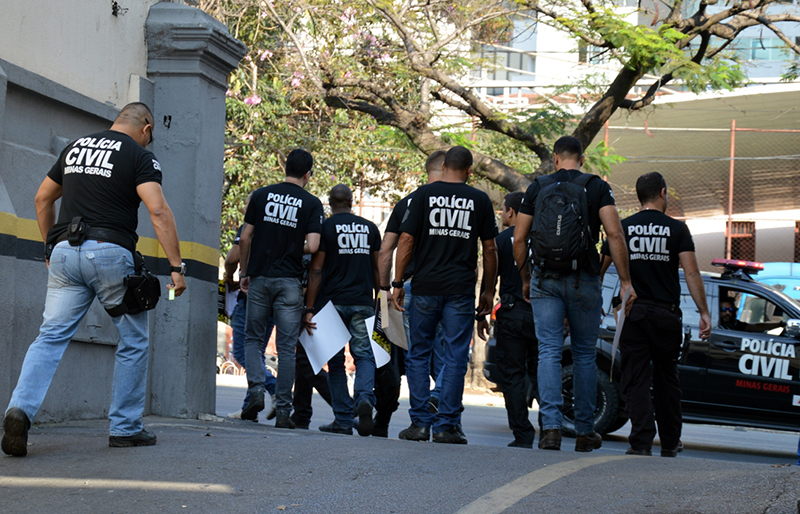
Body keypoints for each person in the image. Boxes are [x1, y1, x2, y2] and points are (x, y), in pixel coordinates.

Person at [2, 103, 186, 456]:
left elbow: (42, 198)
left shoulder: (75, 146)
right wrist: (176, 267)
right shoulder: (138, 156)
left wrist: (48, 248)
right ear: (146, 128)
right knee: (133, 340)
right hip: (110, 253)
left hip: (64, 253)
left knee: (50, 337)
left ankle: (20, 410)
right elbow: (158, 209)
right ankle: (125, 427)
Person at [513, 135, 634, 452]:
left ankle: (550, 428)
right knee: (583, 354)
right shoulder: (596, 186)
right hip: (584, 279)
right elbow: (614, 233)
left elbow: (518, 239)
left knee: (549, 351)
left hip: (545, 278)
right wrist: (624, 281)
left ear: (555, 158)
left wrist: (526, 278)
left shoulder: (537, 187)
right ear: (582, 158)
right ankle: (584, 430)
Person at [392, 146, 498, 444]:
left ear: (445, 166)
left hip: (425, 287)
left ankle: (420, 423)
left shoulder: (423, 195)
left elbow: (407, 239)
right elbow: (490, 249)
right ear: (468, 171)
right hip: (460, 291)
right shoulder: (479, 199)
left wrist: (398, 281)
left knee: (418, 354)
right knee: (454, 356)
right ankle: (446, 425)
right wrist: (488, 291)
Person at [602, 172, 711, 457]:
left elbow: (599, 270)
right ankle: (671, 442)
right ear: (663, 193)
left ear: (639, 196)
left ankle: (640, 443)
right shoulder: (678, 230)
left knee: (635, 378)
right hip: (666, 315)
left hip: (632, 313)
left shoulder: (622, 228)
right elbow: (691, 272)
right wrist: (704, 313)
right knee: (667, 379)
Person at [238, 149, 324, 429]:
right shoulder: (311, 203)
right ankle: (285, 412)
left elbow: (246, 237)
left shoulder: (261, 195)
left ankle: (255, 391)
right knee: (286, 348)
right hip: (289, 282)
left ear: (285, 168)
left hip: (260, 276)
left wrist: (246, 270)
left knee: (252, 340)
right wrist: (291, 247)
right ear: (308, 175)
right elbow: (312, 246)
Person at [375, 150, 447, 435]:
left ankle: (420, 422)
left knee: (416, 354)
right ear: (446, 167)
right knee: (446, 356)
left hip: (410, 288)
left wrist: (385, 292)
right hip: (450, 288)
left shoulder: (407, 203)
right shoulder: (459, 202)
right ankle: (443, 415)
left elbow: (385, 251)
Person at [304, 185, 381, 436]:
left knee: (336, 363)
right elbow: (378, 267)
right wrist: (379, 297)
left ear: (329, 202)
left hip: (332, 304)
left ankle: (344, 420)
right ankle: (364, 399)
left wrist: (310, 307)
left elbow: (316, 270)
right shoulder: (370, 228)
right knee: (364, 356)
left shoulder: (325, 228)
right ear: (352, 200)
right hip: (362, 301)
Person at [477, 191, 539, 449]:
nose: (502, 214)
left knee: (512, 376)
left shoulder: (500, 241)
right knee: (542, 373)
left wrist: (482, 312)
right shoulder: (544, 238)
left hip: (512, 313)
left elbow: (490, 280)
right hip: (543, 315)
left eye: (503, 209)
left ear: (512, 212)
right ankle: (550, 431)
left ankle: (523, 434)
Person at [223, 193, 278, 421]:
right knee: (256, 352)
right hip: (276, 296)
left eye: (246, 203)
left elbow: (231, 259)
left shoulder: (250, 226)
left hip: (251, 295)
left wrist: (230, 278)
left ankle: (274, 388)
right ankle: (250, 408)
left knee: (243, 352)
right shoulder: (277, 229)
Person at [719, 298, 785, 333]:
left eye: (730, 309)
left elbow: (755, 327)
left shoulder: (734, 324)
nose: (727, 312)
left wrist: (780, 324)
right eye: (723, 309)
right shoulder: (714, 325)